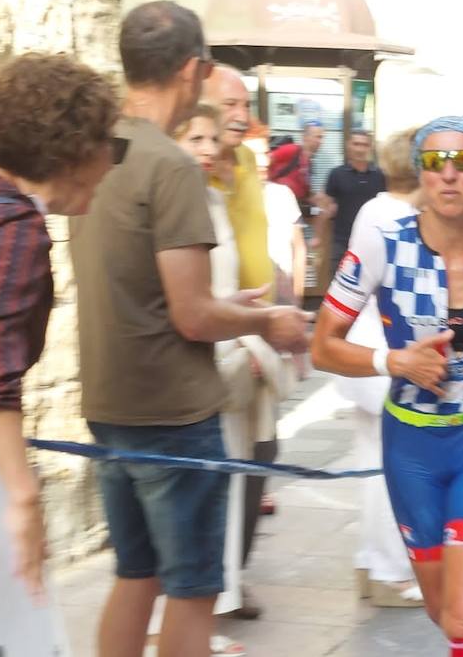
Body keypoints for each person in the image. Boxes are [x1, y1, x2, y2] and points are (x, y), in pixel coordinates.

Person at [70, 0, 310, 657]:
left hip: (110, 406)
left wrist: (223, 301)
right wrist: (269, 318)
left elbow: (145, 287)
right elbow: (193, 314)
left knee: (135, 577)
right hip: (173, 414)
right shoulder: (170, 165)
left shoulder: (97, 151)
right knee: (193, 589)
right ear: (193, 69)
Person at [311, 116, 463, 657]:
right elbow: (323, 346)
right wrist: (395, 362)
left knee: (460, 617)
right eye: (435, 162)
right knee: (444, 611)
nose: (449, 175)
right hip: (411, 445)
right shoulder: (385, 243)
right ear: (420, 173)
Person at [0, 53, 119, 600]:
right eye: (110, 146)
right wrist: (22, 493)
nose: (113, 163)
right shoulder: (10, 229)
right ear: (73, 151)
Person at [170, 104, 289, 642]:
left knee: (231, 482)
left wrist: (242, 312)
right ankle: (193, 621)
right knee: (201, 496)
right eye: (194, 137)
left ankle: (218, 600)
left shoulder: (214, 196)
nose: (206, 147)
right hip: (200, 363)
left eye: (211, 138)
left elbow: (217, 286)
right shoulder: (178, 201)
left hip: (231, 353)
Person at [327, 130, 425, 608]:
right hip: (385, 358)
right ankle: (390, 571)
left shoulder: (375, 208)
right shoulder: (407, 218)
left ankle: (370, 563)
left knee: (371, 465)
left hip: (361, 353)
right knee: (395, 472)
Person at [202, 66, 273, 295]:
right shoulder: (191, 169)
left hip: (260, 316)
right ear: (203, 107)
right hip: (220, 321)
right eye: (230, 104)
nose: (243, 117)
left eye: (246, 105)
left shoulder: (249, 158)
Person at [243, 138, 307, 304]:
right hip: (245, 299)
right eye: (254, 154)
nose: (264, 161)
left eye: (265, 153)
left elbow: (299, 248)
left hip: (282, 295)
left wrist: (297, 296)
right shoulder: (227, 199)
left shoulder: (283, 194)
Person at [322, 130, 387, 279]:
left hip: (373, 243)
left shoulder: (381, 176)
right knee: (337, 288)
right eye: (356, 144)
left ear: (370, 148)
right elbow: (326, 207)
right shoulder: (336, 174)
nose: (360, 149)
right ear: (348, 146)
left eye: (364, 145)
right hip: (342, 243)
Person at [269, 119, 324, 207]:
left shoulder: (309, 164)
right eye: (317, 137)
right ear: (305, 137)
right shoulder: (291, 150)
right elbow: (264, 162)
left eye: (322, 137)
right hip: (275, 205)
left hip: (293, 208)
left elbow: (303, 193)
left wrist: (317, 198)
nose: (321, 141)